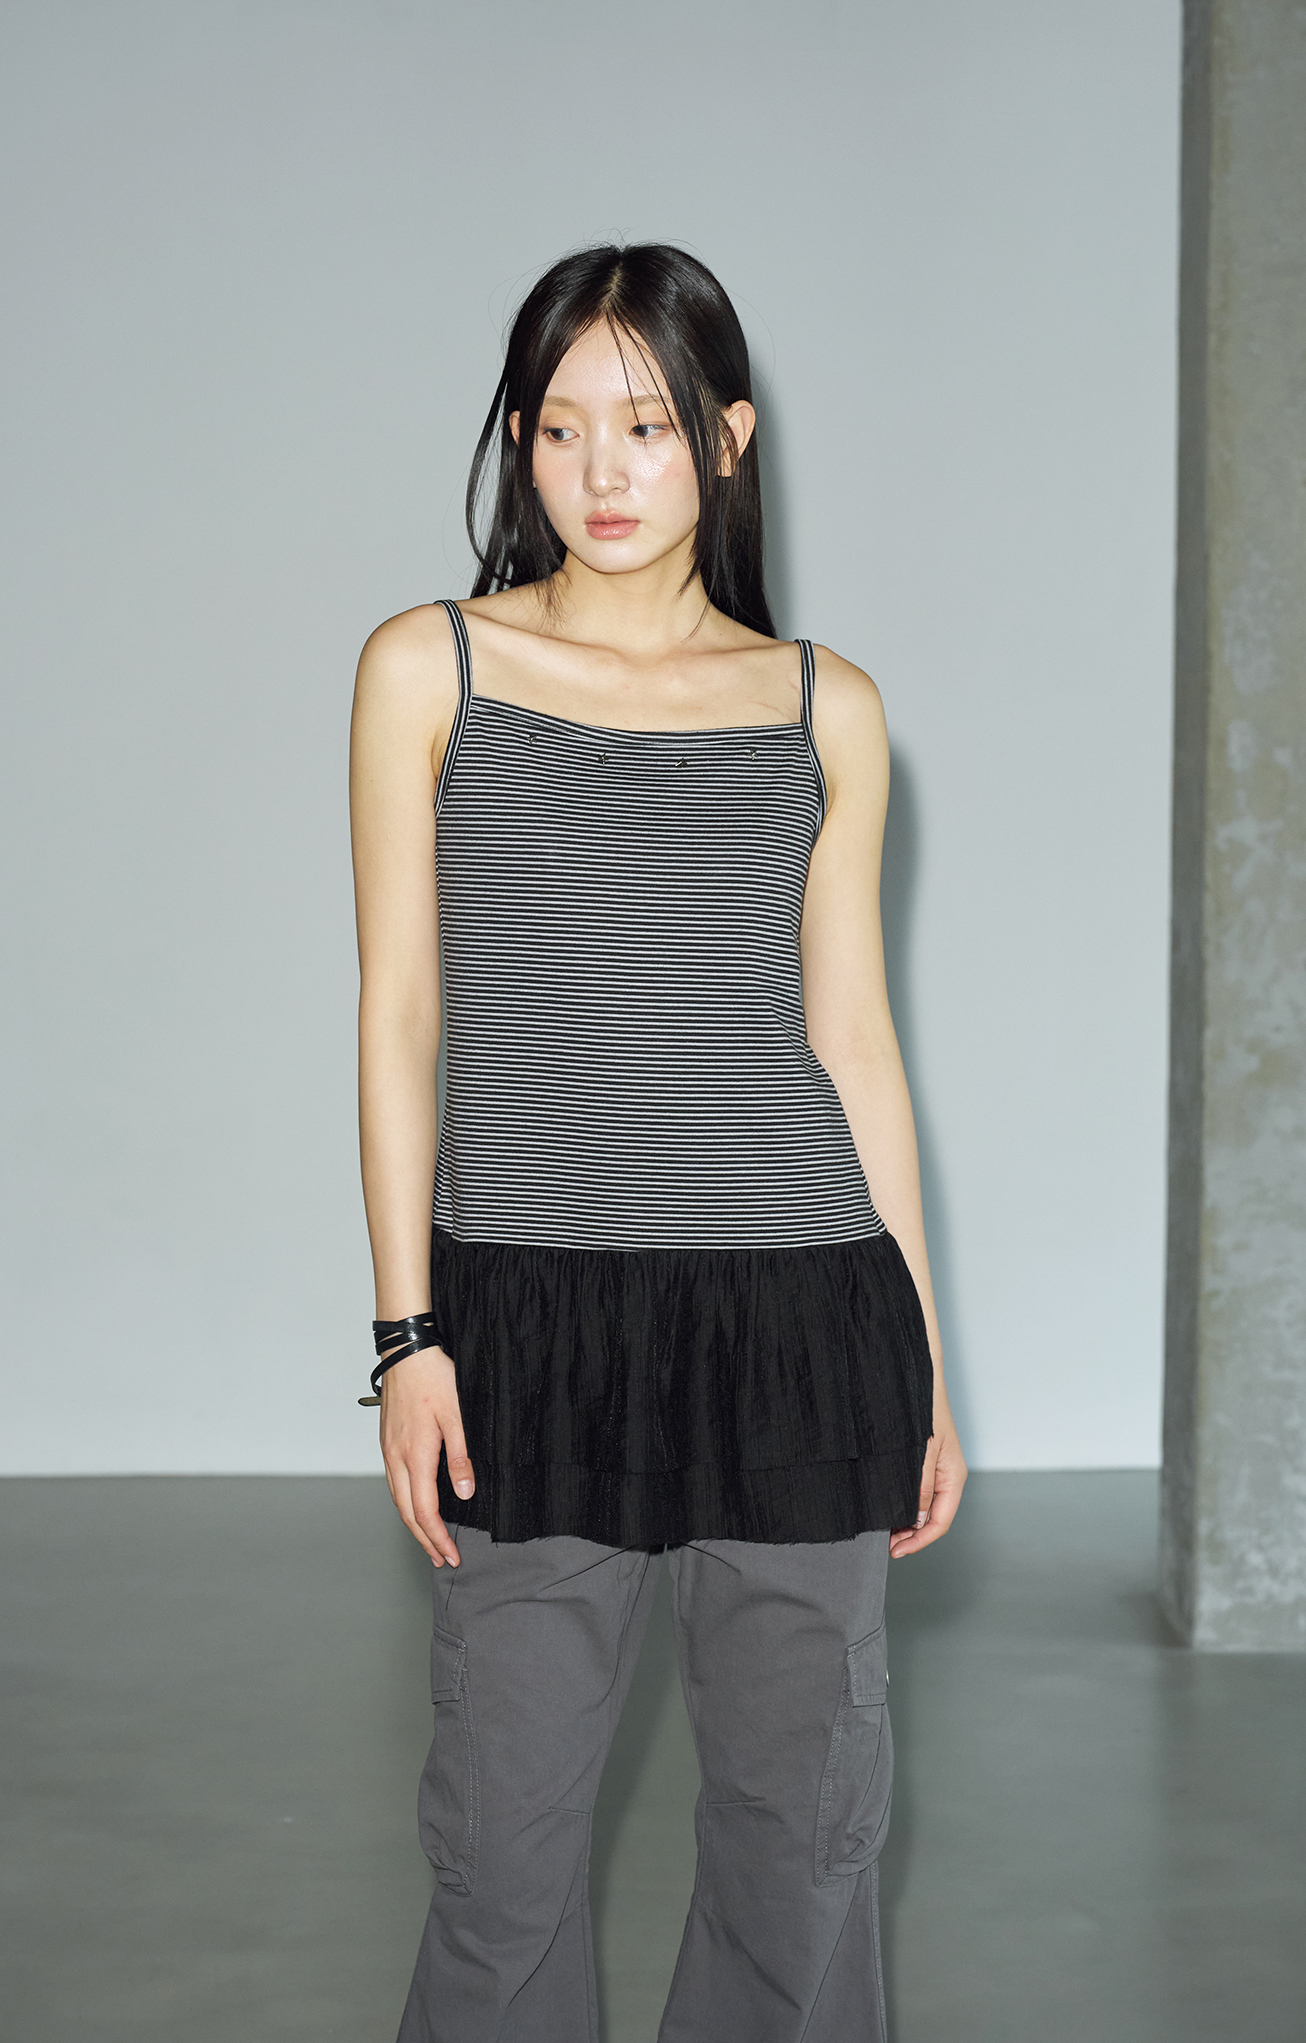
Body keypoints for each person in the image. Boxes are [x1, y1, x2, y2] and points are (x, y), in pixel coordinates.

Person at [348, 242, 966, 2043]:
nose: (601, 471)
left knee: (802, 1850)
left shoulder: (823, 704)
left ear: (727, 437)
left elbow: (853, 1042)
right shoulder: (431, 667)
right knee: (501, 1860)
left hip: (799, 1316)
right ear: (515, 444)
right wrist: (407, 1336)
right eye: (558, 428)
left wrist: (923, 1364)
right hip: (530, 1322)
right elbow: (398, 1018)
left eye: (645, 424)